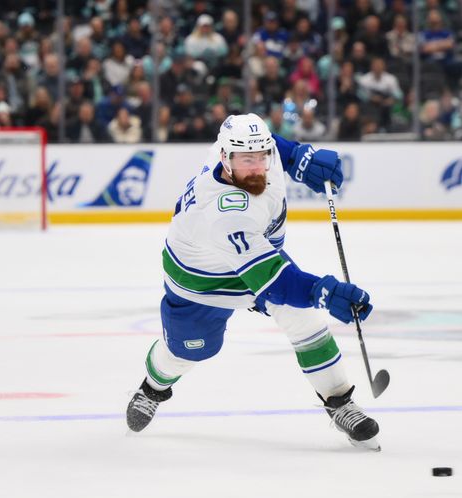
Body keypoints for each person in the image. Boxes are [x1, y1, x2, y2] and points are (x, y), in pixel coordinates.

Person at [126, 113, 381, 451]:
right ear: (225, 159)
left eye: (261, 157)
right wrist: (325, 291)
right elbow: (276, 283)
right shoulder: (225, 211)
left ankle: (339, 401)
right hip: (204, 282)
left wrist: (299, 159)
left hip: (257, 254)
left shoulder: (256, 154)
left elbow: (271, 142)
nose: (257, 167)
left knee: (304, 320)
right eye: (247, 160)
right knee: (188, 352)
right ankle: (152, 388)